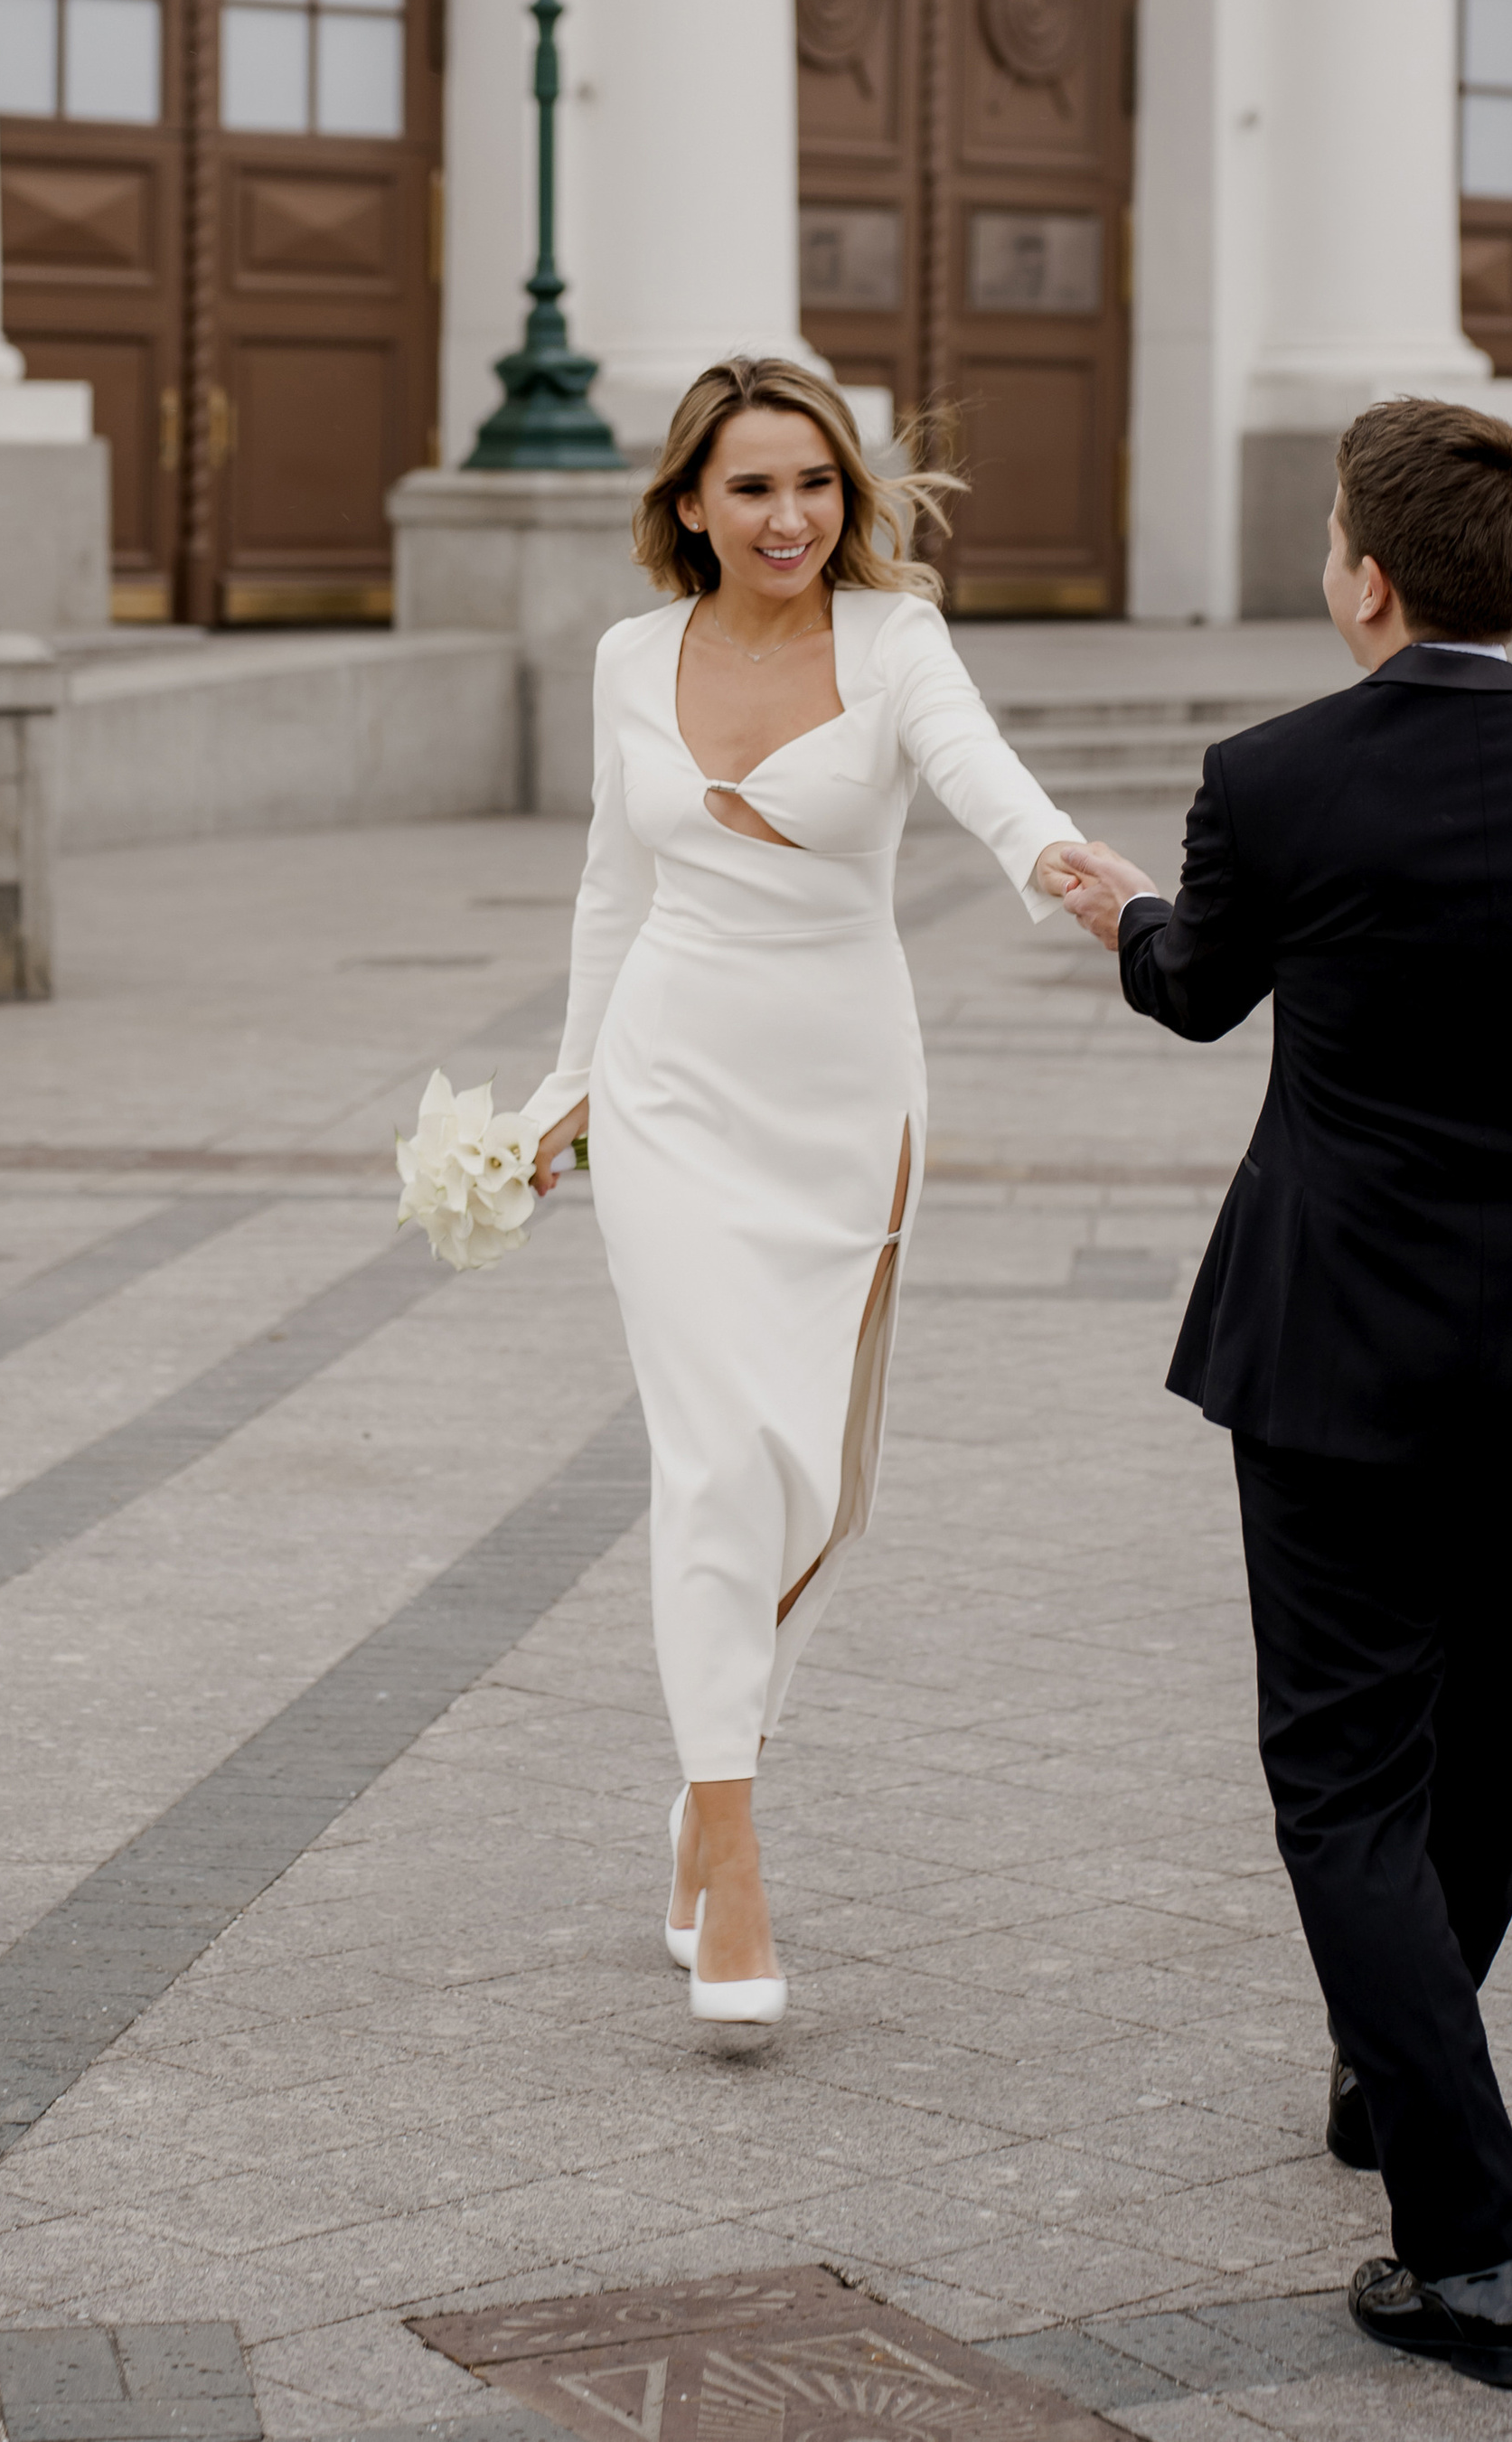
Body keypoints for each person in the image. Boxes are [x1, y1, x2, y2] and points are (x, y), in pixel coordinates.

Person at [1059, 398, 1512, 2393]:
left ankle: (1471, 2252)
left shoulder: (1272, 778)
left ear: (1364, 577)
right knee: (1486, 1730)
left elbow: (1197, 988)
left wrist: (1111, 909)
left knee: (1340, 1792)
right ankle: (1398, 2070)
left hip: (1329, 1358)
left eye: (1322, 537)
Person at [526, 354, 1090, 2026]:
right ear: (689, 502)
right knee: (716, 1457)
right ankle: (743, 1851)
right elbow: (609, 890)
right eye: (754, 486)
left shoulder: (895, 642)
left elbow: (980, 772)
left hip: (845, 1098)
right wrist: (565, 1089)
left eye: (816, 484)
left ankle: (706, 1792)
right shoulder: (634, 656)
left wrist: (1053, 860)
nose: (790, 518)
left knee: (820, 1485)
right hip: (668, 1091)